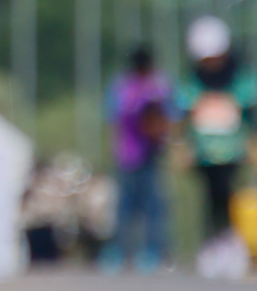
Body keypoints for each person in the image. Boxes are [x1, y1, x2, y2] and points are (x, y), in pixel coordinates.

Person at [179, 17, 256, 274]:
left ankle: (234, 244)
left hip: (233, 152)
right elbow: (184, 118)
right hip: (205, 153)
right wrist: (183, 147)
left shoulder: (240, 80)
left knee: (230, 197)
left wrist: (252, 143)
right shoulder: (194, 82)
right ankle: (212, 245)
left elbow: (249, 114)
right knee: (210, 199)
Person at [105, 44, 174, 270]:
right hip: (129, 154)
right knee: (126, 207)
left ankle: (154, 250)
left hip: (149, 154)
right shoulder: (127, 87)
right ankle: (121, 251)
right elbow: (116, 117)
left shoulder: (156, 85)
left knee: (152, 206)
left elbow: (169, 115)